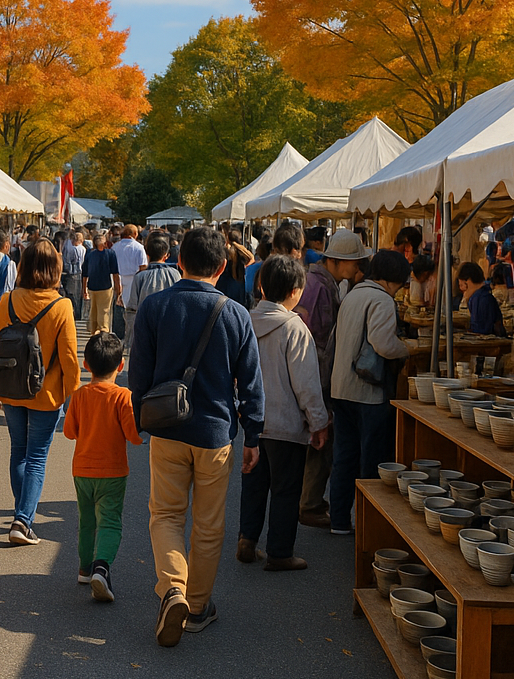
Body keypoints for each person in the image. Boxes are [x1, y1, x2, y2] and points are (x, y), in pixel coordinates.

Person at [128, 226, 264, 647]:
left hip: (168, 428)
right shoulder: (236, 313)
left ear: (179, 261)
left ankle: (173, 588)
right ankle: (199, 605)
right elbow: (251, 383)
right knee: (208, 525)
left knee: (166, 514)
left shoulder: (154, 307)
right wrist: (254, 434)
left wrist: (139, 419)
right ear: (222, 267)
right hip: (215, 433)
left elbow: (138, 373)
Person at [0, 238, 80, 545]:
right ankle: (23, 521)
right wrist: (74, 397)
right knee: (37, 456)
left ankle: (21, 511)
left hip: (11, 388)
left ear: (23, 266)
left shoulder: (8, 300)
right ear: (55, 269)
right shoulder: (61, 306)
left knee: (19, 451)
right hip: (46, 394)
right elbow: (69, 358)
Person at [238, 256, 329, 572]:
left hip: (253, 422)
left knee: (254, 485)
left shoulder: (246, 321)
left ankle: (247, 539)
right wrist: (318, 422)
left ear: (261, 287)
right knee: (286, 490)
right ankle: (279, 551)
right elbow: (307, 384)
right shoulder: (294, 327)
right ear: (295, 291)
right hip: (286, 424)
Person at [328, 249, 411, 536]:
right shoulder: (382, 300)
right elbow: (383, 343)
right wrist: (407, 349)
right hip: (367, 391)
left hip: (341, 387)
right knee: (372, 460)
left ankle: (339, 520)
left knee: (344, 458)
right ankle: (369, 525)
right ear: (394, 279)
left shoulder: (354, 294)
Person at [295, 229, 371, 530]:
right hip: (316, 375)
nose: (357, 266)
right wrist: (321, 389)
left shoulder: (322, 283)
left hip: (314, 375)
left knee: (318, 439)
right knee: (321, 440)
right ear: (337, 261)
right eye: (354, 261)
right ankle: (310, 503)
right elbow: (316, 344)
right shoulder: (320, 287)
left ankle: (308, 501)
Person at [63, 330, 143, 601]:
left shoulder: (79, 395)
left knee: (86, 521)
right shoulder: (123, 397)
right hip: (113, 472)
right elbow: (134, 436)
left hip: (82, 470)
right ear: (121, 365)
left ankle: (85, 569)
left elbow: (69, 432)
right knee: (109, 521)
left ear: (86, 365)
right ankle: (102, 567)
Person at [124, 231, 181, 352]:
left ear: (147, 253)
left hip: (145, 331)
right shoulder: (175, 274)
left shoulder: (140, 277)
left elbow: (132, 308)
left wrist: (130, 338)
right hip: (169, 330)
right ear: (166, 255)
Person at [112, 225, 148, 336]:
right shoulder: (139, 247)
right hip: (133, 279)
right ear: (135, 234)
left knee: (118, 309)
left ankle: (118, 335)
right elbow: (143, 266)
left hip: (117, 279)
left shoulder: (115, 247)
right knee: (132, 309)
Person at [83, 233, 121, 334]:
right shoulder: (110, 253)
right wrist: (118, 287)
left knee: (93, 310)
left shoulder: (89, 253)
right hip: (105, 286)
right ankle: (103, 331)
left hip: (91, 286)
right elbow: (115, 273)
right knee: (104, 310)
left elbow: (84, 274)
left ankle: (93, 331)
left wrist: (84, 289)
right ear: (105, 243)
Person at [458, 261, 507, 336]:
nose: (461, 289)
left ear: (467, 282)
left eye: (461, 285)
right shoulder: (483, 295)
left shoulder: (479, 299)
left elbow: (480, 332)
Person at [215, 229, 252, 308]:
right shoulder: (242, 251)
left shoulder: (226, 252)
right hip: (240, 286)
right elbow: (251, 259)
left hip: (226, 288)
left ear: (228, 239)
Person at [62, 230, 87, 320]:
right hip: (81, 273)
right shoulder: (83, 249)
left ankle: (74, 313)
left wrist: (67, 269)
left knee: (71, 294)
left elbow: (69, 261)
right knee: (78, 295)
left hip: (73, 273)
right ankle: (79, 313)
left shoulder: (73, 250)